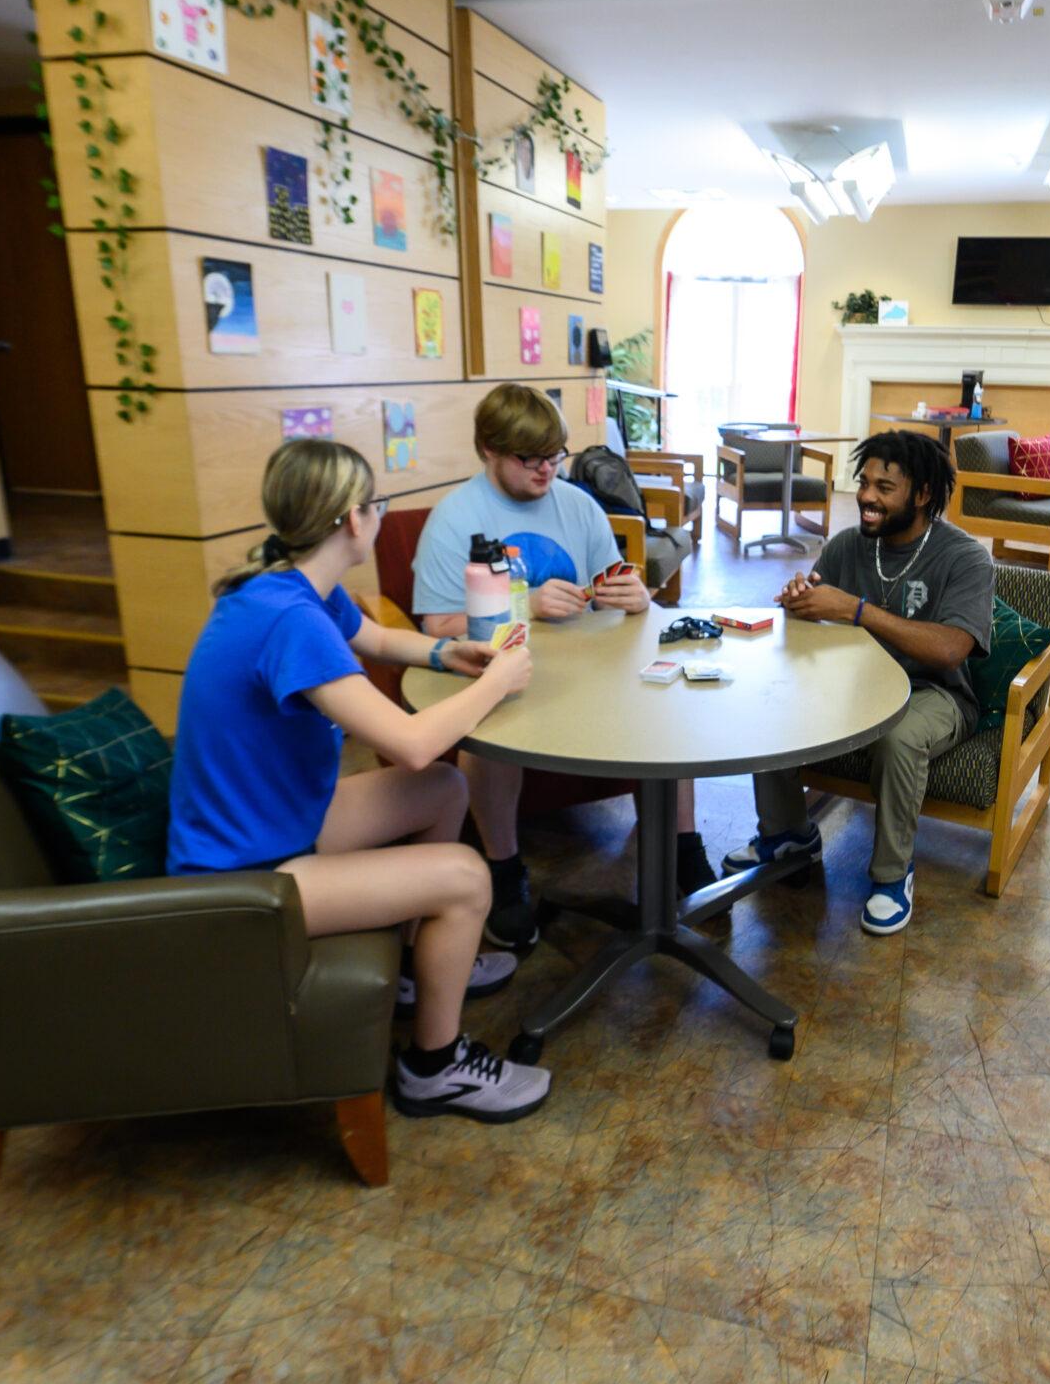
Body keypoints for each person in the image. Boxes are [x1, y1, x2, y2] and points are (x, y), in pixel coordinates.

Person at [168, 437, 551, 1123]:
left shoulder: (286, 586)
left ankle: (414, 971)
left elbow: (373, 638)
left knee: (444, 789)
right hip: (245, 876)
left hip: (276, 822)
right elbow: (408, 742)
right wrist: (495, 680)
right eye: (375, 504)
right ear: (352, 518)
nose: (376, 516)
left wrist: (444, 650)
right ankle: (434, 1067)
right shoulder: (290, 620)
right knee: (467, 874)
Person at [411, 384, 712, 945]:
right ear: (488, 451)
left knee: (668, 708)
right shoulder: (454, 519)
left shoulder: (578, 504)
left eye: (555, 455)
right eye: (530, 459)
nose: (547, 470)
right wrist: (527, 609)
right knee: (491, 737)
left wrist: (635, 596)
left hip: (591, 672)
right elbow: (437, 624)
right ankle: (505, 872)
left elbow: (615, 584)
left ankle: (682, 850)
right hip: (506, 679)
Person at [724, 429, 995, 935]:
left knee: (898, 736)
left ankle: (893, 876)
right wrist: (800, 602)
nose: (867, 497)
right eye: (864, 483)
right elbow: (813, 626)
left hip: (934, 693)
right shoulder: (849, 546)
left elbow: (950, 649)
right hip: (849, 683)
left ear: (923, 495)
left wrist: (857, 610)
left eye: (885, 488)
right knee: (769, 702)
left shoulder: (964, 557)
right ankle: (788, 834)